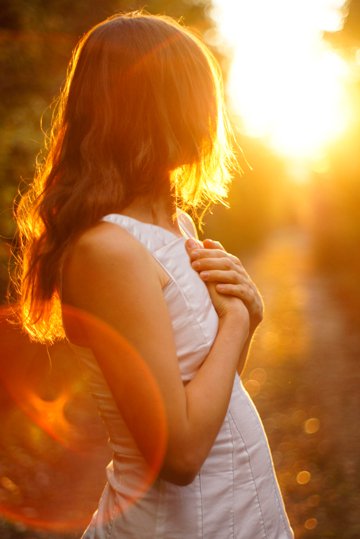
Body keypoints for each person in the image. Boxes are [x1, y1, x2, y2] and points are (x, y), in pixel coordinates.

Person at [14, 11, 294, 538]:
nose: (211, 115)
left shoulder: (178, 224)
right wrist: (236, 318)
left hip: (240, 507)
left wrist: (247, 321)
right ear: (152, 108)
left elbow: (213, 388)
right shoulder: (107, 251)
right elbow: (180, 455)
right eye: (195, 95)